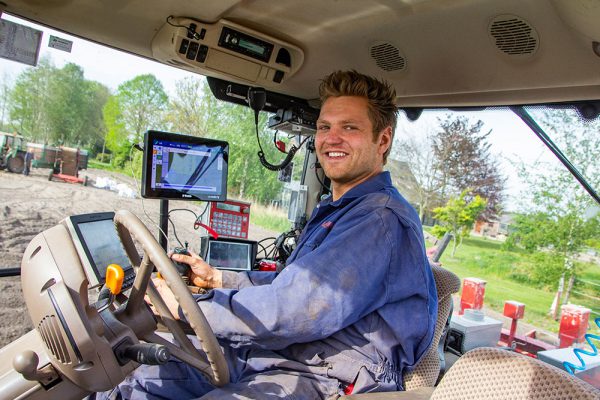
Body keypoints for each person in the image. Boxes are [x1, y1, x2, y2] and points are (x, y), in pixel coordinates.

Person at [100, 70, 437, 399]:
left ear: (383, 139)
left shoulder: (379, 220)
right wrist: (219, 280)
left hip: (328, 375)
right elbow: (293, 285)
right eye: (324, 127)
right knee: (143, 377)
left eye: (349, 128)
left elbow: (293, 310)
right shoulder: (340, 210)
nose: (332, 138)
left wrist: (186, 308)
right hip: (284, 353)